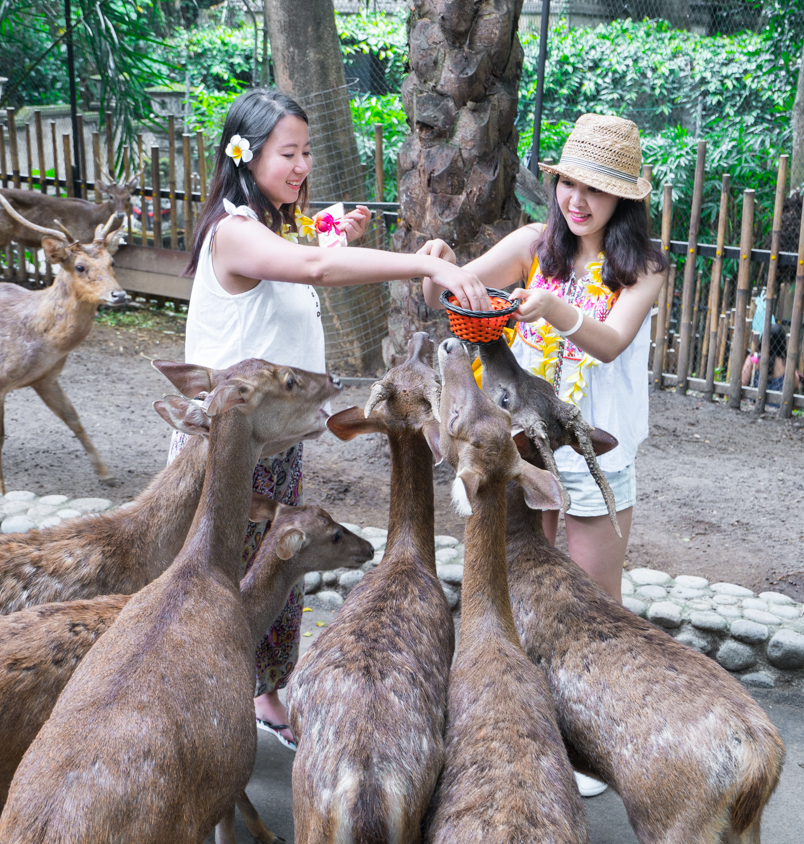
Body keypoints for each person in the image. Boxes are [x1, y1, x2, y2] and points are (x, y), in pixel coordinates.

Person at [174, 88, 488, 751]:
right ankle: (196, 710)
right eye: (288, 153)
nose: (303, 166)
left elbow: (308, 248)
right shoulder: (234, 232)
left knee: (270, 570)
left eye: (307, 151)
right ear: (246, 155)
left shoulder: (274, 224)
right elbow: (312, 267)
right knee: (215, 579)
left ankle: (260, 694)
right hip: (229, 448)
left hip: (276, 439)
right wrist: (420, 263)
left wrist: (333, 230)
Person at [420, 113, 668, 605]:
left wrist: (555, 309)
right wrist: (438, 265)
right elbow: (441, 297)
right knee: (515, 582)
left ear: (623, 197)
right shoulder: (533, 244)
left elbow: (612, 341)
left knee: (595, 600)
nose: (576, 200)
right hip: (524, 440)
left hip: (593, 443)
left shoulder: (644, 268)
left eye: (593, 189)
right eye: (567, 183)